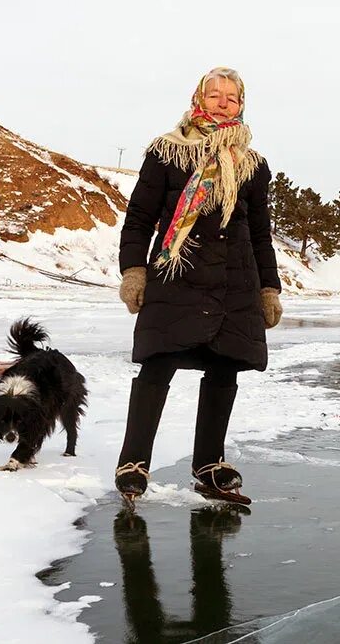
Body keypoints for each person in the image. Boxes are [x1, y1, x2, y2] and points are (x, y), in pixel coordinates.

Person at [115, 67, 282, 498]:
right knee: (159, 362)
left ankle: (208, 462)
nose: (223, 102)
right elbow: (139, 219)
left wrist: (269, 287)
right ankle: (133, 462)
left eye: (231, 96)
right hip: (177, 276)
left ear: (241, 104)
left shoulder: (252, 165)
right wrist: (134, 270)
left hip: (234, 280)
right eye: (214, 94)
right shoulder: (168, 152)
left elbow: (261, 232)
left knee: (225, 367)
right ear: (198, 99)